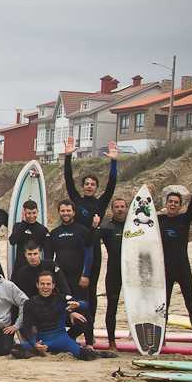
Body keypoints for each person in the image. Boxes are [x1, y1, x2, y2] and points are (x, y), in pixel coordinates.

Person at [63, 137, 118, 329]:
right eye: (86, 183)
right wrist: (68, 157)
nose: (88, 186)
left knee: (91, 290)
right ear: (83, 186)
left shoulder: (100, 203)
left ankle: (90, 330)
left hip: (93, 250)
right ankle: (71, 323)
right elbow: (68, 181)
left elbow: (111, 185)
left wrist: (114, 161)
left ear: (96, 187)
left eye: (92, 184)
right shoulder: (76, 200)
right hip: (77, 250)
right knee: (74, 287)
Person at [160, 173, 192, 350]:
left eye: (176, 203)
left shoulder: (184, 219)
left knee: (191, 305)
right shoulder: (159, 221)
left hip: (183, 269)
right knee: (162, 307)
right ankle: (161, 338)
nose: (172, 204)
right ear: (166, 204)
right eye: (170, 202)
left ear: (180, 206)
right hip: (165, 271)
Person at [19, 272, 99, 360]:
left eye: (48, 284)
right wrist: (34, 344)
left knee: (87, 355)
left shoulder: (61, 299)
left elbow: (86, 304)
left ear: (53, 285)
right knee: (14, 350)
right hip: (42, 340)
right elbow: (26, 327)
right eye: (42, 284)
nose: (45, 287)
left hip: (61, 339)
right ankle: (44, 351)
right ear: (37, 285)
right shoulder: (29, 303)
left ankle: (53, 350)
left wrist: (78, 304)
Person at [49, 200, 95, 345]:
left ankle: (89, 342)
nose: (66, 213)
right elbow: (49, 259)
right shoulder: (54, 233)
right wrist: (51, 279)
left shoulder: (82, 231)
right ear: (59, 212)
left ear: (74, 212)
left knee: (84, 309)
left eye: (68, 210)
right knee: (63, 309)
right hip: (61, 280)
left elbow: (89, 253)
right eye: (63, 211)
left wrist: (86, 274)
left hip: (79, 278)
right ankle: (64, 338)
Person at [97, 197, 129, 349]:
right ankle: (111, 341)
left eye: (122, 206)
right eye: (117, 206)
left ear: (127, 208)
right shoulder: (107, 227)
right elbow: (90, 241)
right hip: (114, 272)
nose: (120, 209)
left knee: (138, 305)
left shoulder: (134, 226)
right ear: (112, 209)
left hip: (132, 273)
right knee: (112, 307)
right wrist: (94, 227)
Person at [7, 198, 49, 277]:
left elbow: (47, 252)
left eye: (34, 213)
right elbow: (12, 241)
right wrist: (23, 223)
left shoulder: (42, 229)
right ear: (24, 213)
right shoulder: (18, 226)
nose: (32, 216)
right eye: (29, 213)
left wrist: (45, 270)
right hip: (19, 267)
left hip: (36, 268)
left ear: (38, 212)